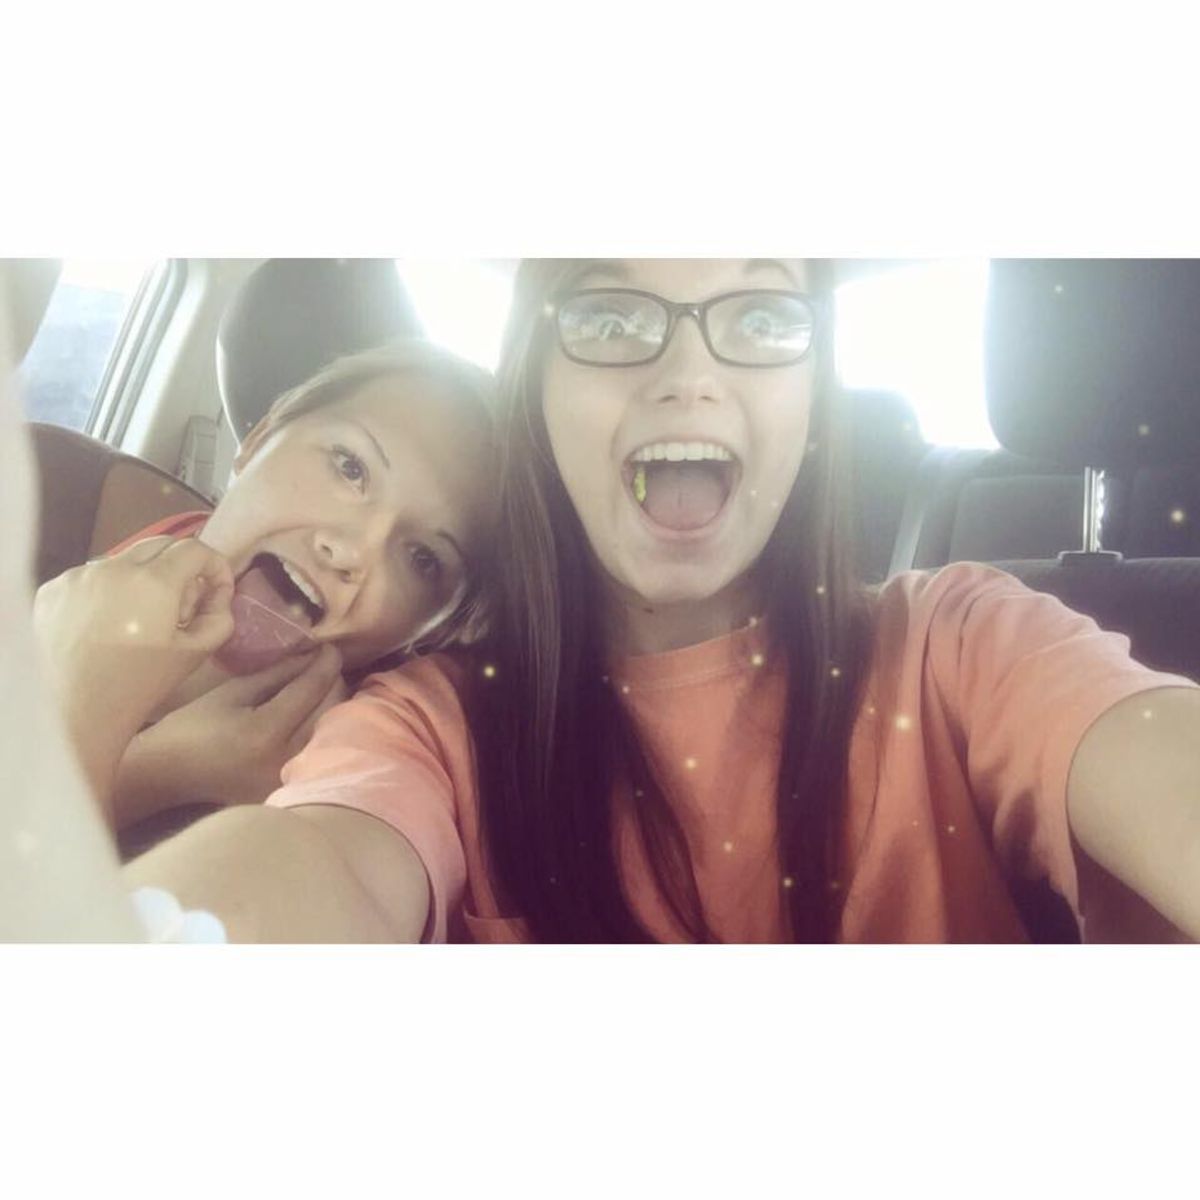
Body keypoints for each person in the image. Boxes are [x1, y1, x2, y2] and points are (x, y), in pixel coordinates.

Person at [16, 260, 1200, 944]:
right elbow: (311, 860)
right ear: (539, 394)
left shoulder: (971, 647)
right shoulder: (426, 729)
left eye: (763, 315)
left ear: (814, 395)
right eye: (609, 315)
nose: (688, 374)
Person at [37, 341, 496, 845]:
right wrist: (153, 770)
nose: (351, 551)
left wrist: (106, 739)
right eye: (350, 466)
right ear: (258, 440)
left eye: (422, 558)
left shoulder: (339, 804)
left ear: (429, 632)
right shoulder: (54, 497)